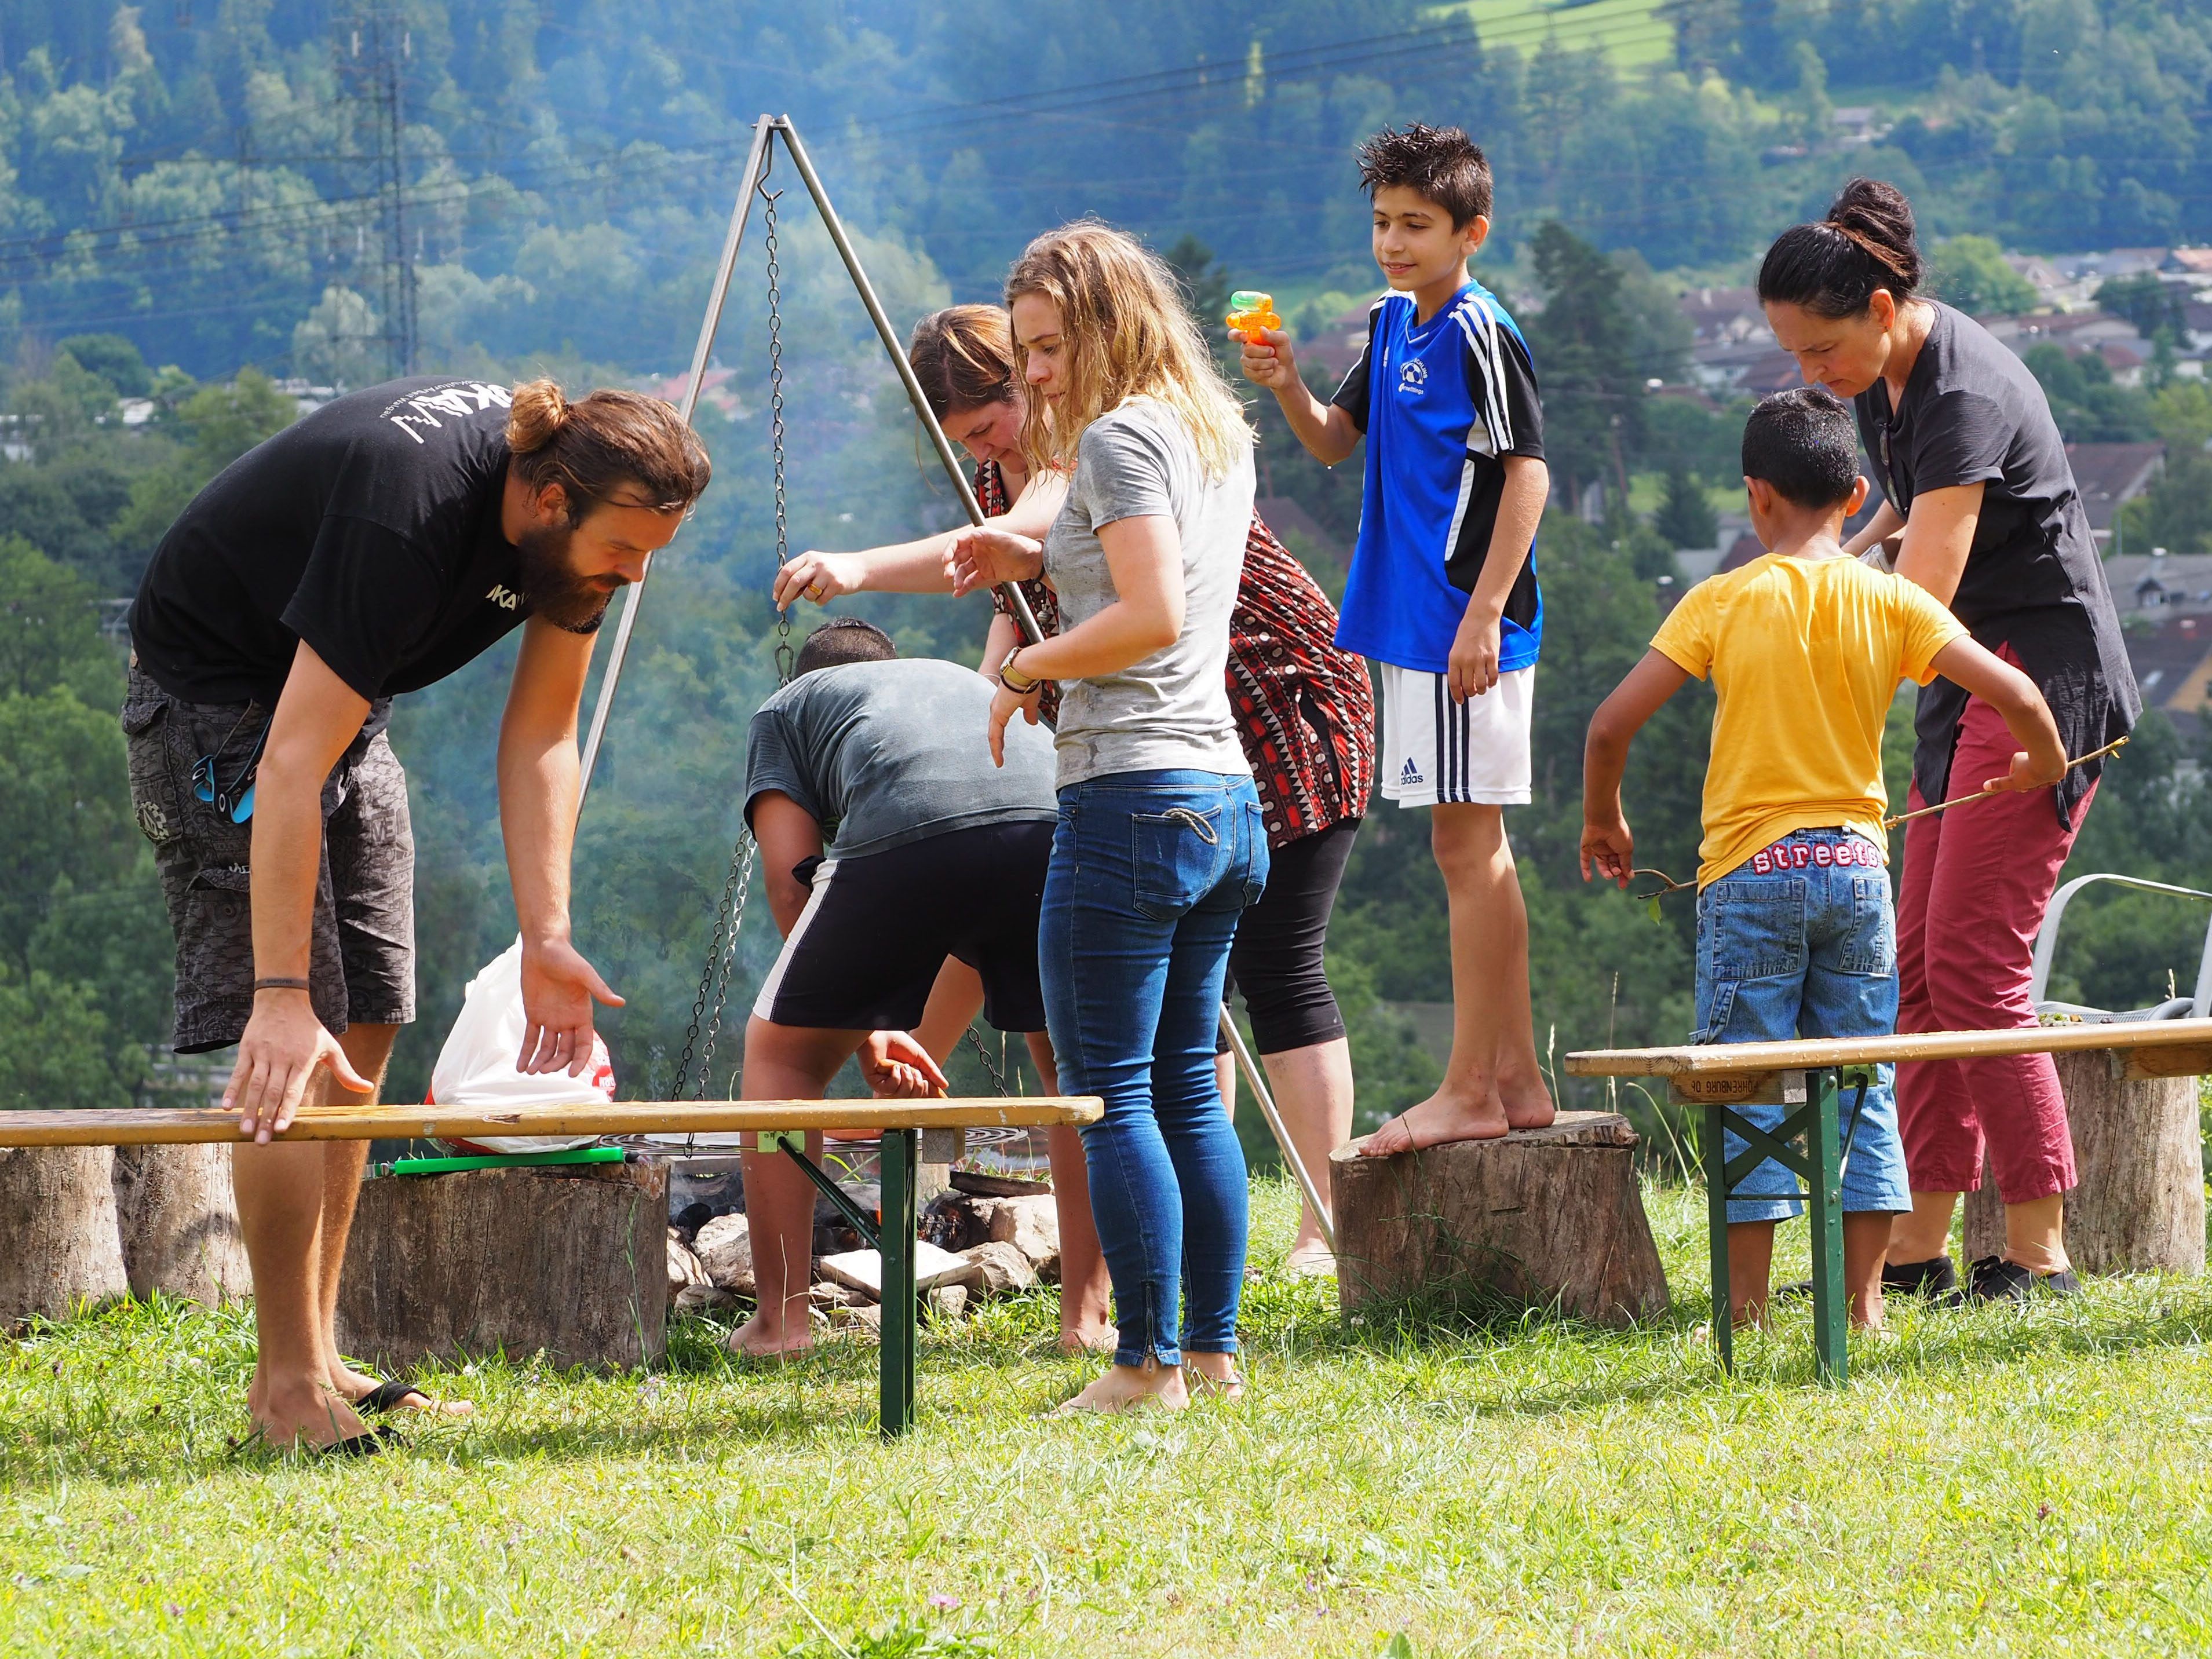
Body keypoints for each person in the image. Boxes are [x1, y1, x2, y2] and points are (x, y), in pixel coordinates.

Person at [124, 375, 711, 1449]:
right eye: (624, 550)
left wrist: (548, 934)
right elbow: (289, 757)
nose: (634, 576)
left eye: (648, 555)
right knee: (298, 1045)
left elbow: (542, 732)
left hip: (346, 700)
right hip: (214, 693)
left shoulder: (570, 526)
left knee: (373, 1013)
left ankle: (323, 1346)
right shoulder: (408, 513)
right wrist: (278, 992)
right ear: (546, 503)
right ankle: (284, 1386)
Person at [777, 303, 1375, 1277]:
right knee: (1187, 988)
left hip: (1274, 692)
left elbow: (1008, 543)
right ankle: (1177, 1222)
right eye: (966, 437)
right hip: (1157, 724)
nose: (990, 442)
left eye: (993, 414)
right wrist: (983, 728)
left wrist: (856, 568)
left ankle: (1320, 1228)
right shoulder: (1003, 466)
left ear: (1029, 377)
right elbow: (1013, 616)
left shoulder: (1083, 437)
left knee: (1276, 962)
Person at [1579, 387, 2067, 1329]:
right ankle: (1863, 1306)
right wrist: (2039, 758)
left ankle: (1751, 1311)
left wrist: (1605, 819)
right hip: (1854, 871)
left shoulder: (1719, 600)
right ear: (1854, 494)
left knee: (1750, 1085)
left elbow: (1608, 726)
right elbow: (2015, 691)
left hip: (1748, 875)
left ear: (1753, 496)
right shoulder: (1887, 599)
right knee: (1862, 1080)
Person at [1758, 180, 2141, 1303]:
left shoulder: (1961, 388)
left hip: (2036, 683)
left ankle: (2037, 1249)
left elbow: (1919, 596)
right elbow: (1893, 513)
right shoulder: (1885, 378)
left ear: (1883, 307)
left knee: (1976, 967)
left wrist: (1806, 652)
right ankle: (1918, 1245)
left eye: (1821, 349)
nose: (1806, 376)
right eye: (1793, 353)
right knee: (1915, 971)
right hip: (1965, 687)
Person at [947, 222, 1268, 1412]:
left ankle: (1143, 1366)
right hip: (1221, 800)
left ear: (1106, 324)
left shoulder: (1125, 438)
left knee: (1112, 1090)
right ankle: (1213, 1352)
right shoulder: (1212, 434)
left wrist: (1027, 672)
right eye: (1023, 350)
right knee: (1186, 1084)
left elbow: (1147, 615)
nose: (1029, 373)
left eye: (1043, 346)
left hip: (1131, 796)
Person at [1239, 122, 1555, 1152]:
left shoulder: (1477, 327)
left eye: (1415, 225)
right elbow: (1335, 444)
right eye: (1381, 222)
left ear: (1471, 230)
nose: (1392, 241)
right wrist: (1285, 378)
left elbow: (1527, 472)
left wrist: (1479, 613)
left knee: (1468, 845)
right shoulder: (1386, 325)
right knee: (1466, 846)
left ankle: (1473, 1083)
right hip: (1406, 623)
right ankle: (1509, 1076)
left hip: (1462, 626)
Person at [731, 619, 1063, 1359]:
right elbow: (970, 920)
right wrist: (878, 1018)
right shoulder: (952, 681)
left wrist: (855, 1025)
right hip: (1056, 818)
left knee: (780, 1061)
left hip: (909, 819)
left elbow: (794, 881)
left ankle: (780, 1324)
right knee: (1070, 1067)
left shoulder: (783, 710)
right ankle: (1087, 1319)